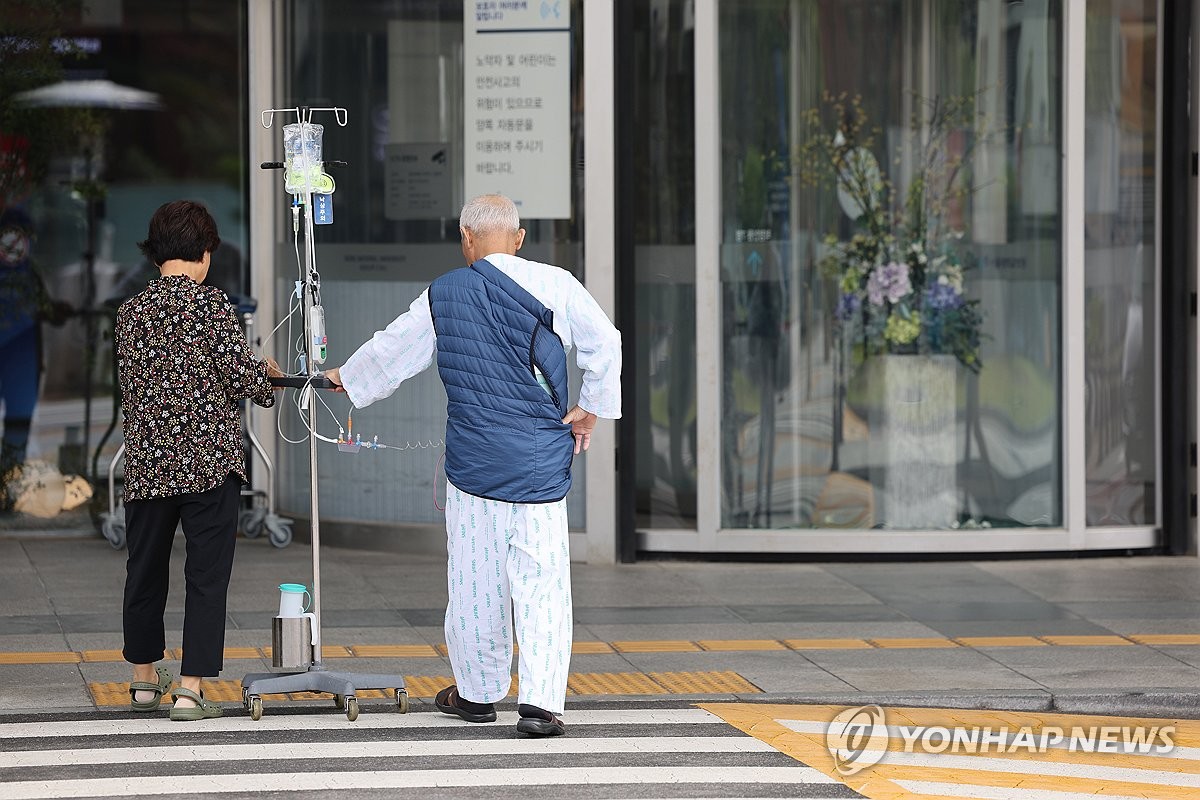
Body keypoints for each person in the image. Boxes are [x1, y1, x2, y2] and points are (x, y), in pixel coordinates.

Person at [327, 194, 621, 737]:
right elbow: (606, 343)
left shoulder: (445, 292)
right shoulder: (557, 283)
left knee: (473, 580)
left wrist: (343, 377)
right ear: (519, 238)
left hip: (473, 465)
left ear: (465, 239)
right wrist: (591, 411)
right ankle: (540, 704)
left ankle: (479, 695)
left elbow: (394, 351)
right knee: (541, 584)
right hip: (539, 464)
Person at [115, 200, 281, 721]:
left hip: (147, 461)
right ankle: (189, 688)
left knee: (144, 570)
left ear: (156, 253)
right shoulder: (212, 306)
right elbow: (241, 377)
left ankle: (144, 680)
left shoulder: (130, 312)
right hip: (207, 461)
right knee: (205, 575)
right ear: (205, 253)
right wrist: (266, 374)